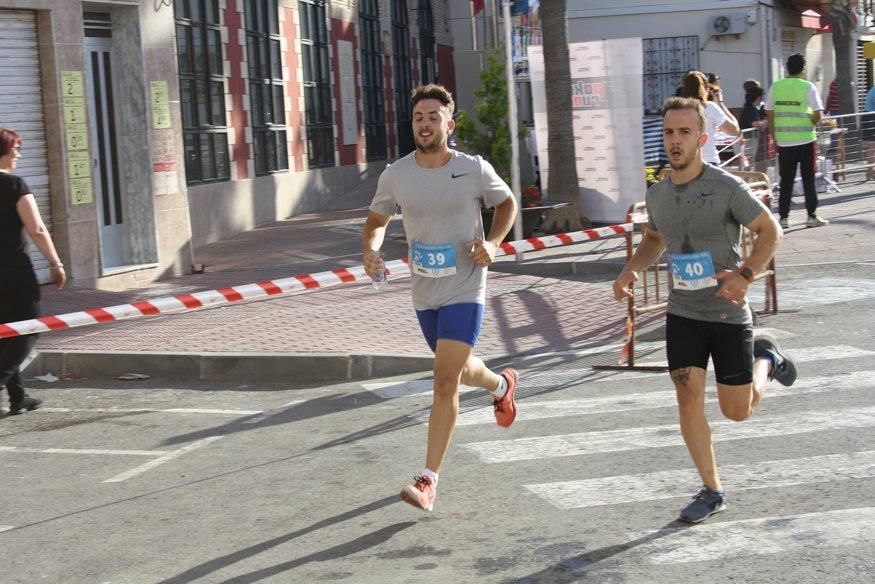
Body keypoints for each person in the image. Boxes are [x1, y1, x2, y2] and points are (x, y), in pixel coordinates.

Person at [612, 97, 797, 524]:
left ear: (702, 137)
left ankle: (766, 358)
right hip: (683, 314)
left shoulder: (726, 187)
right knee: (687, 398)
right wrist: (629, 269)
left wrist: (747, 275)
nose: (675, 141)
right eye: (669, 133)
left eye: (684, 133)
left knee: (737, 411)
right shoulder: (657, 192)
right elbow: (655, 239)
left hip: (727, 311)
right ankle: (712, 490)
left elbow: (772, 230)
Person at [361, 84, 520, 512]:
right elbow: (376, 220)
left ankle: (428, 479)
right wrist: (371, 249)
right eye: (418, 118)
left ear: (449, 124)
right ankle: (502, 384)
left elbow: (507, 205)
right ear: (411, 125)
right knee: (460, 369)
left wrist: (493, 242)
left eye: (434, 117)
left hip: (466, 286)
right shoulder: (396, 174)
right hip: (424, 290)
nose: (425, 123)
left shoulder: (473, 168)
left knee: (444, 379)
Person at [1, 127, 66, 416]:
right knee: (30, 328)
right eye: (15, 150)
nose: (19, 155)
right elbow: (37, 229)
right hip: (14, 272)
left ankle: (18, 397)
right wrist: (56, 263)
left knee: (4, 333)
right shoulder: (14, 185)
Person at [765, 53, 828, 229]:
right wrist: (811, 120)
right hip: (806, 141)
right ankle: (811, 216)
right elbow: (818, 114)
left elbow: (769, 113)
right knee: (808, 179)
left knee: (786, 180)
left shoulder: (775, 87)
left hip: (784, 142)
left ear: (787, 68)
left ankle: (783, 219)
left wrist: (774, 138)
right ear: (803, 69)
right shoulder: (808, 87)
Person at [679, 71, 740, 165]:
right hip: (709, 162)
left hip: (686, 164)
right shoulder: (709, 107)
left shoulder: (677, 110)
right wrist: (720, 103)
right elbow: (734, 131)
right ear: (704, 88)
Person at [740, 86, 768, 172]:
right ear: (758, 98)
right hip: (747, 141)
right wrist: (767, 121)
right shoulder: (750, 109)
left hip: (748, 140)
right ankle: (744, 183)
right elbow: (756, 124)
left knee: (748, 165)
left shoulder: (750, 108)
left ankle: (746, 182)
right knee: (747, 166)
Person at [864, 85, 875, 180]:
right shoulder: (874, 90)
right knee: (872, 147)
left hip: (870, 117)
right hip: (870, 119)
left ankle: (870, 171)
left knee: (872, 148)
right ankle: (870, 171)